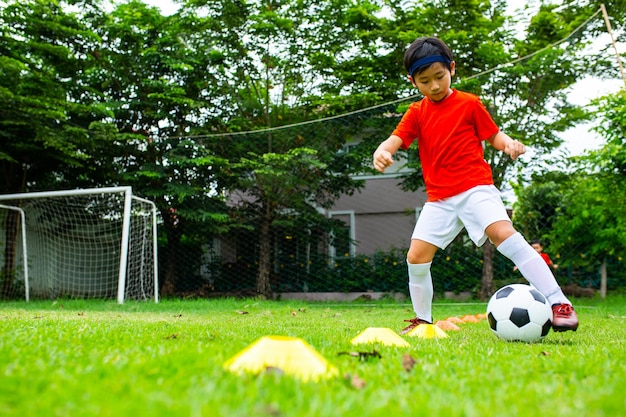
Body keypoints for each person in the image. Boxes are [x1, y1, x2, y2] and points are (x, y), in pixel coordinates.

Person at [372, 36, 578, 334]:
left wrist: (509, 145)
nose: (434, 86)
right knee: (416, 257)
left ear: (452, 69)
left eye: (439, 77)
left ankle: (559, 303)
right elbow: (395, 139)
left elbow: (494, 135)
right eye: (424, 81)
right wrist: (383, 151)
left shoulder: (469, 104)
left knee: (502, 233)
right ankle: (422, 321)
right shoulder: (416, 112)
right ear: (413, 81)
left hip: (475, 188)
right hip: (439, 199)